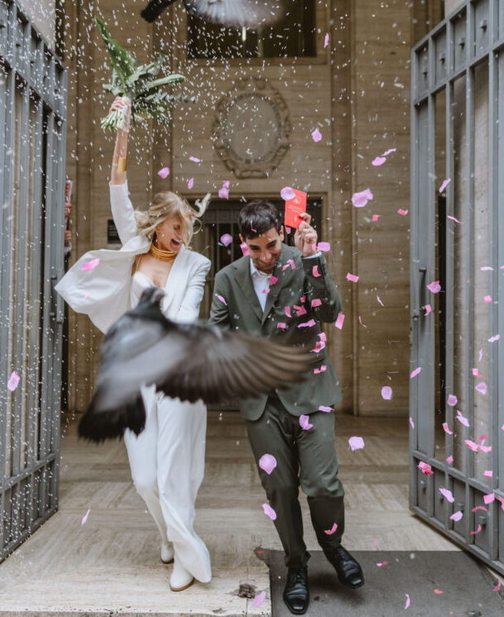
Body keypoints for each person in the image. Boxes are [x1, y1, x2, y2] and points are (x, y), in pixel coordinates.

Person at [55, 97, 212, 592]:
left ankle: (187, 557)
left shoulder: (197, 266)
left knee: (173, 470)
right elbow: (117, 189)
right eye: (175, 226)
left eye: (186, 228)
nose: (182, 235)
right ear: (160, 222)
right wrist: (122, 128)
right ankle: (170, 533)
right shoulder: (135, 248)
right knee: (145, 478)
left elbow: (186, 317)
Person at [208, 200, 364, 615]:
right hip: (261, 403)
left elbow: (330, 310)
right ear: (244, 243)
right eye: (256, 248)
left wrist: (313, 258)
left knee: (323, 484)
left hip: (310, 392)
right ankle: (296, 565)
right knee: (279, 489)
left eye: (273, 246)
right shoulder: (227, 278)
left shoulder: (302, 260)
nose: (265, 257)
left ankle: (334, 547)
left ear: (282, 232)